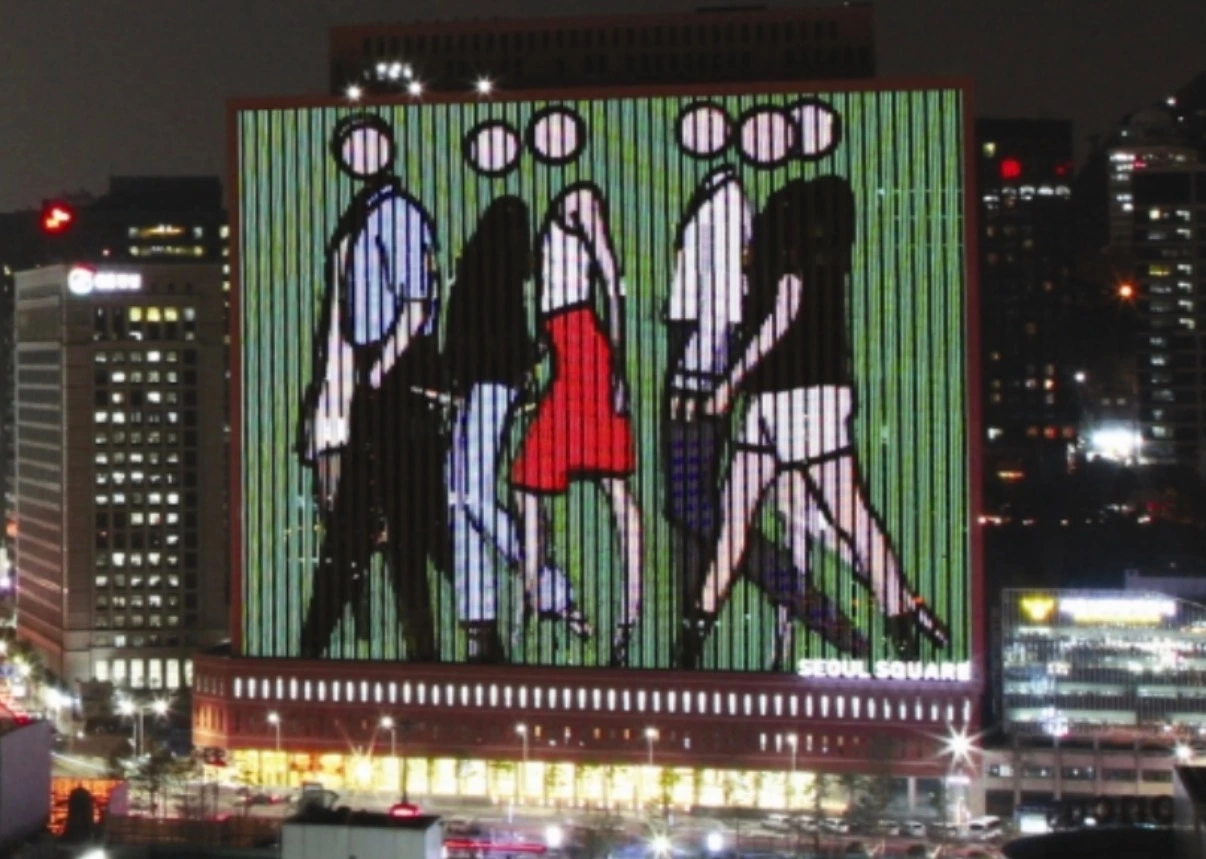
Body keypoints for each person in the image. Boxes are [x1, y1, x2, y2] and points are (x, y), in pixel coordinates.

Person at [687, 175, 949, 667]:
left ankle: (901, 621)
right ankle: (693, 634)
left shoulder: (789, 268)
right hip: (788, 400)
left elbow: (779, 320)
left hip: (797, 401)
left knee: (834, 515)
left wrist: (728, 385)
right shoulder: (823, 268)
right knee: (766, 517)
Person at [666, 164, 866, 669]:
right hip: (701, 362)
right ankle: (694, 639)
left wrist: (698, 377)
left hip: (701, 369)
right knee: (704, 514)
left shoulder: (726, 199)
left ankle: (820, 613)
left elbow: (722, 304)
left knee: (695, 508)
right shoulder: (720, 195)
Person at [297, 113, 445, 661]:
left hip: (388, 392)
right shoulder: (360, 216)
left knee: (392, 539)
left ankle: (314, 654)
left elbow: (417, 304)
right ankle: (316, 653)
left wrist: (376, 377)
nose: (358, 153)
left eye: (368, 142)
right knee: (378, 540)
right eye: (349, 145)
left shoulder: (397, 213)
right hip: (363, 392)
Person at [443, 192, 590, 663]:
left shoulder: (478, 271)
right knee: (462, 498)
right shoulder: (505, 277)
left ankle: (545, 591)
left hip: (482, 388)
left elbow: (469, 337)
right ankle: (484, 618)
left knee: (468, 497)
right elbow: (509, 340)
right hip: (490, 387)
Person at [510, 181, 644, 667]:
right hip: (568, 351)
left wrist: (619, 365)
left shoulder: (579, 199)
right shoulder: (560, 215)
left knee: (611, 487)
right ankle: (532, 607)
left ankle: (628, 617)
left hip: (586, 352)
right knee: (532, 482)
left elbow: (611, 276)